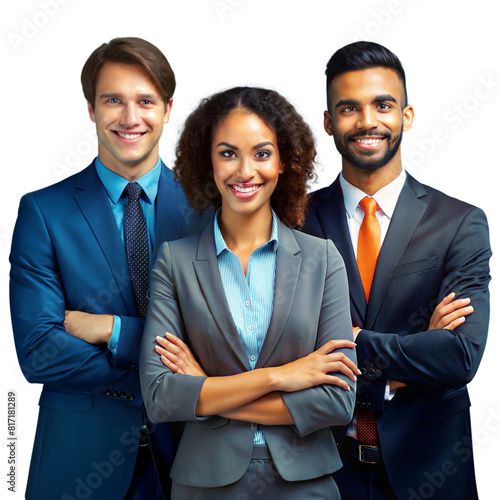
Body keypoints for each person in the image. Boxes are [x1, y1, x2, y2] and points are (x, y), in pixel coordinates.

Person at [9, 37, 211, 500]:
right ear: (91, 109)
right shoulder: (44, 212)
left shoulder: (211, 209)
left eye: (145, 101)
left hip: (193, 458)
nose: (129, 117)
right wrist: (179, 367)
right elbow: (38, 351)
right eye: (113, 100)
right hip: (77, 463)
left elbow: (228, 342)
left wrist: (113, 330)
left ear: (167, 108)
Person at [139, 86, 358, 499]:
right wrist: (281, 377)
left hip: (306, 482)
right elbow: (161, 397)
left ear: (283, 163)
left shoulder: (323, 259)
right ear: (209, 161)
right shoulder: (176, 262)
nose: (244, 171)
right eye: (227, 153)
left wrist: (205, 388)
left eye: (261, 153)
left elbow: (335, 402)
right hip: (205, 481)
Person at [302, 41, 491, 500]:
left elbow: (459, 356)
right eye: (349, 108)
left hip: (433, 471)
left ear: (406, 115)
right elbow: (277, 350)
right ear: (328, 122)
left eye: (382, 105)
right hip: (318, 472)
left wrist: (347, 344)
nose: (368, 121)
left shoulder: (459, 223)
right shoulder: (293, 221)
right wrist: (415, 349)